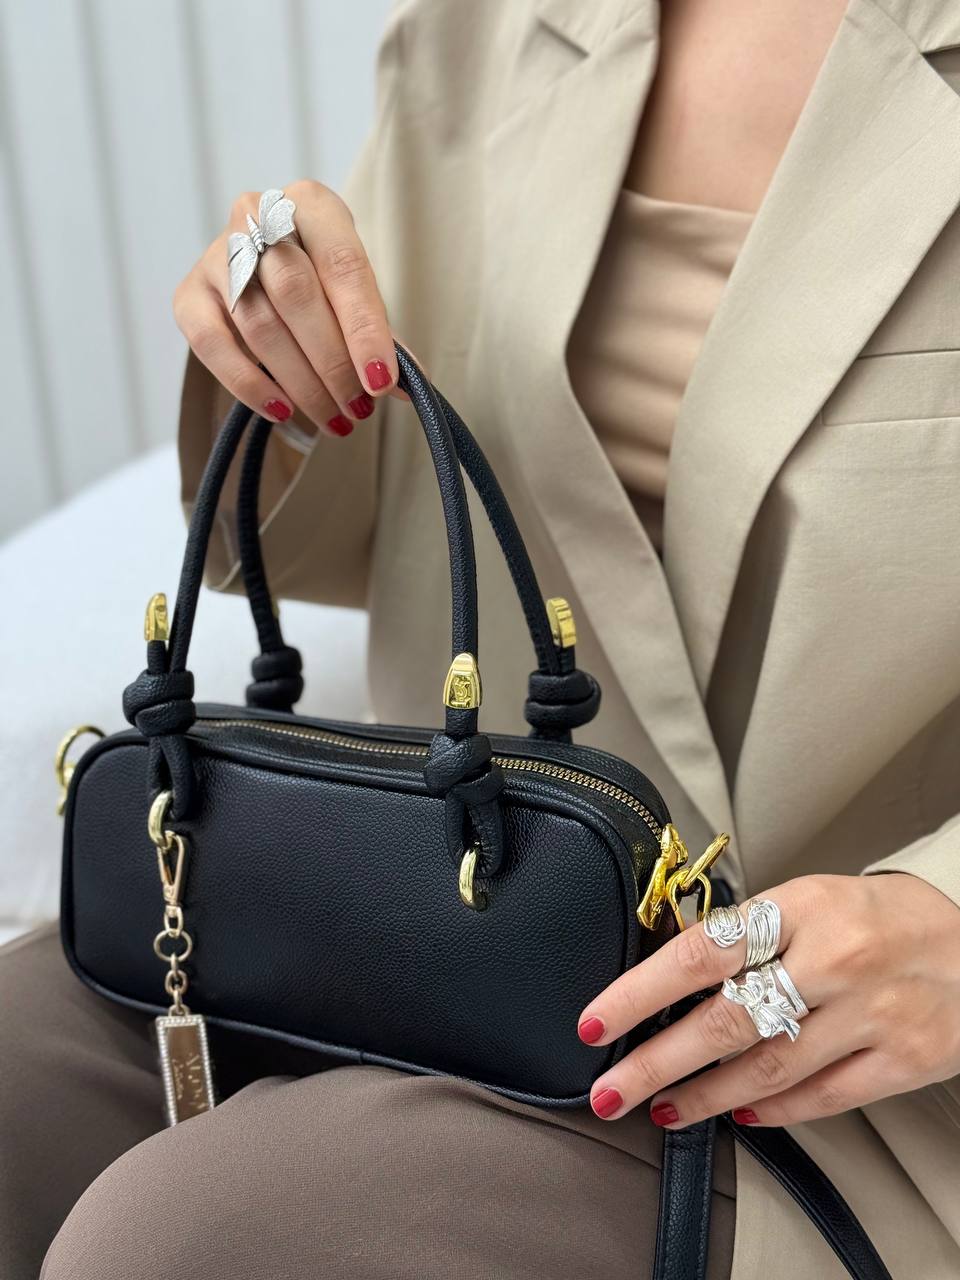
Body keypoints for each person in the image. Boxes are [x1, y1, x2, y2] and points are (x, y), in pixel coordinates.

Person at [3, 1, 960, 1276]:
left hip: (837, 1055)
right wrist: (278, 351)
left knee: (188, 1239)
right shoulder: (492, 23)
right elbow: (363, 508)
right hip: (429, 907)